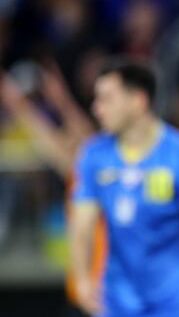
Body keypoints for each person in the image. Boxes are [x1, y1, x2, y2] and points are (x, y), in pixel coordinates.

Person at [69, 60, 179, 317]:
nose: (97, 109)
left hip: (174, 303)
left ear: (138, 101)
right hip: (116, 300)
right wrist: (81, 279)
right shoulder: (94, 155)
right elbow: (81, 225)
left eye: (107, 99)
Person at [0, 62, 107, 317]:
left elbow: (59, 139)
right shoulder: (85, 176)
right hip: (88, 294)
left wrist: (22, 103)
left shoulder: (96, 173)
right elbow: (61, 139)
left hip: (101, 295)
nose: (67, 140)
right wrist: (58, 99)